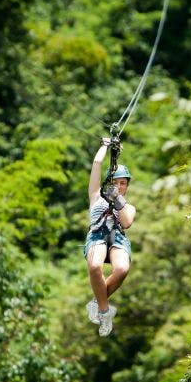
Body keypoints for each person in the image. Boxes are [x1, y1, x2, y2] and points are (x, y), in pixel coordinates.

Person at [84, 137, 136, 337]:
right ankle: (105, 312)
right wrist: (105, 147)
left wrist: (117, 200)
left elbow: (127, 222)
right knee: (95, 266)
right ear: (109, 183)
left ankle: (98, 302)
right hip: (98, 235)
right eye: (116, 182)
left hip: (117, 238)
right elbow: (97, 164)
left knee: (122, 268)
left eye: (123, 183)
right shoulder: (96, 196)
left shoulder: (128, 206)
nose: (120, 186)